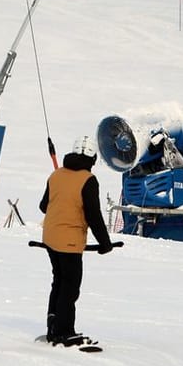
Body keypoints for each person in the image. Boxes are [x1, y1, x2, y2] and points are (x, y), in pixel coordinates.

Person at [36, 135, 115, 347]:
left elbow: (44, 206)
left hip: (50, 237)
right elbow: (93, 215)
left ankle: (53, 325)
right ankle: (64, 331)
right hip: (69, 242)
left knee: (59, 280)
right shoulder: (88, 180)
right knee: (70, 287)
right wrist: (105, 243)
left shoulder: (55, 175)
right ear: (93, 157)